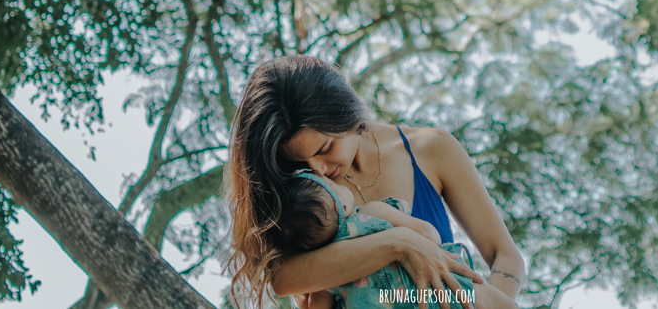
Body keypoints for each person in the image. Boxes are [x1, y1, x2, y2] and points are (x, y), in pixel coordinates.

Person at [224, 55, 526, 309]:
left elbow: (506, 256)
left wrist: (472, 301)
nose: (316, 168)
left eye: (325, 148)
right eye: (299, 162)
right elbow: (284, 278)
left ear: (346, 112)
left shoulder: (432, 149)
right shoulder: (306, 195)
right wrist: (399, 242)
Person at [273, 169, 516, 309]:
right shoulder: (372, 213)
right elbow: (428, 235)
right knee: (486, 298)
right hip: (436, 294)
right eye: (330, 184)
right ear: (344, 206)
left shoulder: (325, 275)